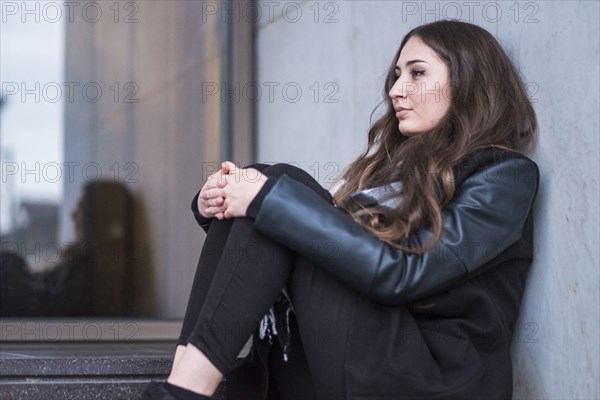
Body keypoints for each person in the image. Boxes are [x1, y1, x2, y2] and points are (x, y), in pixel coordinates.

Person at [143, 20, 539, 400]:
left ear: (468, 81)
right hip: (355, 362)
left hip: (428, 379)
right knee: (271, 188)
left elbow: (405, 274)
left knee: (278, 189)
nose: (397, 90)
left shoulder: (505, 176)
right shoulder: (395, 173)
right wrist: (219, 203)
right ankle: (183, 385)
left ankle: (183, 392)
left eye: (417, 73)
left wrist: (264, 198)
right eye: (396, 76)